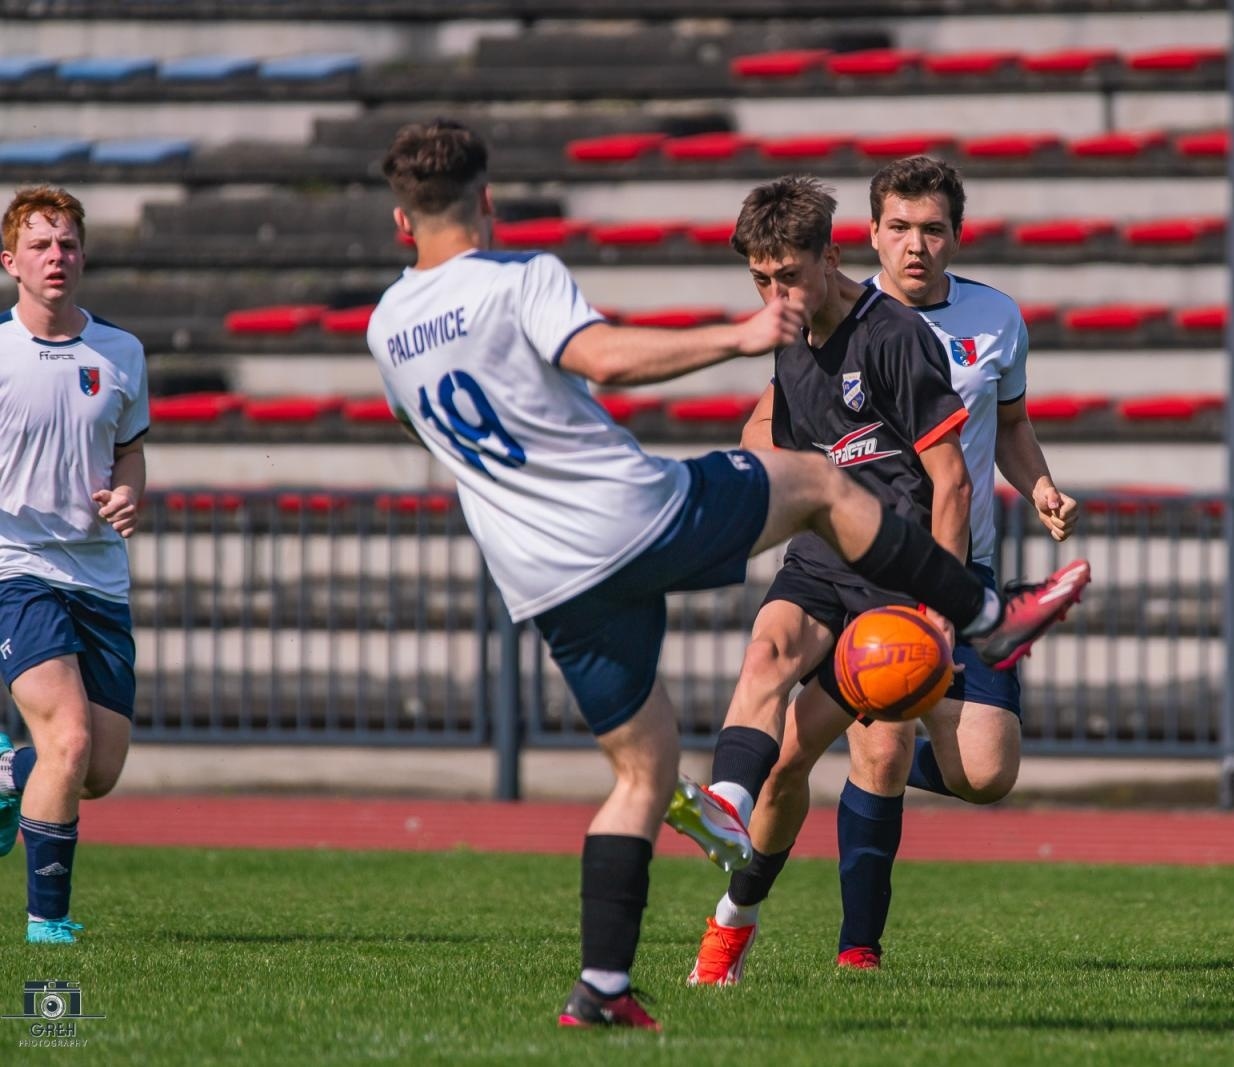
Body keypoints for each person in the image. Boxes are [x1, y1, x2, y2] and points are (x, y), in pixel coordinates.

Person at [364, 121, 1087, 1031]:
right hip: (671, 526)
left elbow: (947, 474)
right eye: (763, 285)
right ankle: (717, 901)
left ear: (401, 220)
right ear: (489, 202)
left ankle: (629, 959)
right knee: (790, 597)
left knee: (661, 764)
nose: (775, 297)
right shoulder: (527, 279)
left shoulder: (387, 323)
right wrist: (741, 347)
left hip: (538, 566)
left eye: (787, 279)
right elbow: (610, 362)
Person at [689, 157, 1082, 985]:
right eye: (898, 227)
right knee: (774, 662)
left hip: (918, 569)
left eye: (931, 228)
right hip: (826, 562)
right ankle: (780, 895)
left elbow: (964, 469)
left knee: (976, 769)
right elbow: (769, 428)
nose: (775, 297)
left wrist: (944, 590)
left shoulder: (933, 332)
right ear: (866, 237)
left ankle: (747, 898)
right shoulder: (793, 335)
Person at [0, 185, 149, 945]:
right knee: (69, 739)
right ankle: (46, 929)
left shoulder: (121, 352)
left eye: (66, 244)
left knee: (100, 766)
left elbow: (130, 449)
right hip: (16, 570)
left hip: (101, 576)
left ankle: (6, 776)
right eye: (39, 245)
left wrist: (128, 493)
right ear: (10, 262)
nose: (56, 256)